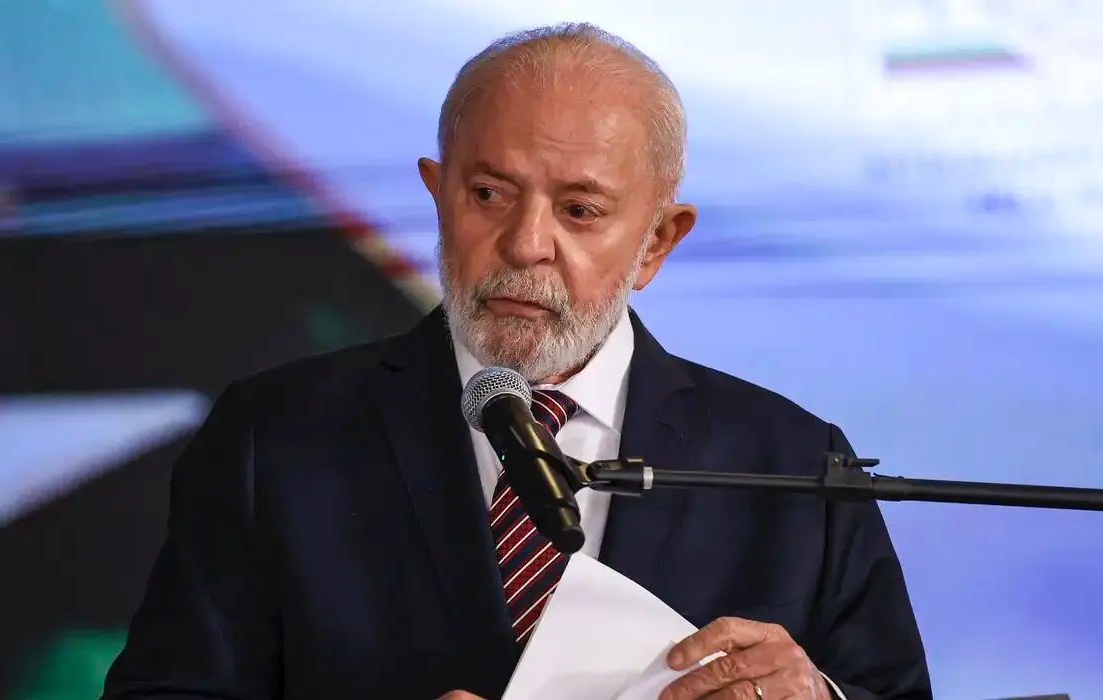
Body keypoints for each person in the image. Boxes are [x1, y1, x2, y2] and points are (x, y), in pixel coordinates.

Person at [102, 23, 930, 700]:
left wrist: (818, 698)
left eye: (580, 210)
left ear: (657, 241)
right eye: (488, 195)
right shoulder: (274, 439)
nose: (526, 244)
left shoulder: (794, 466)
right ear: (438, 194)